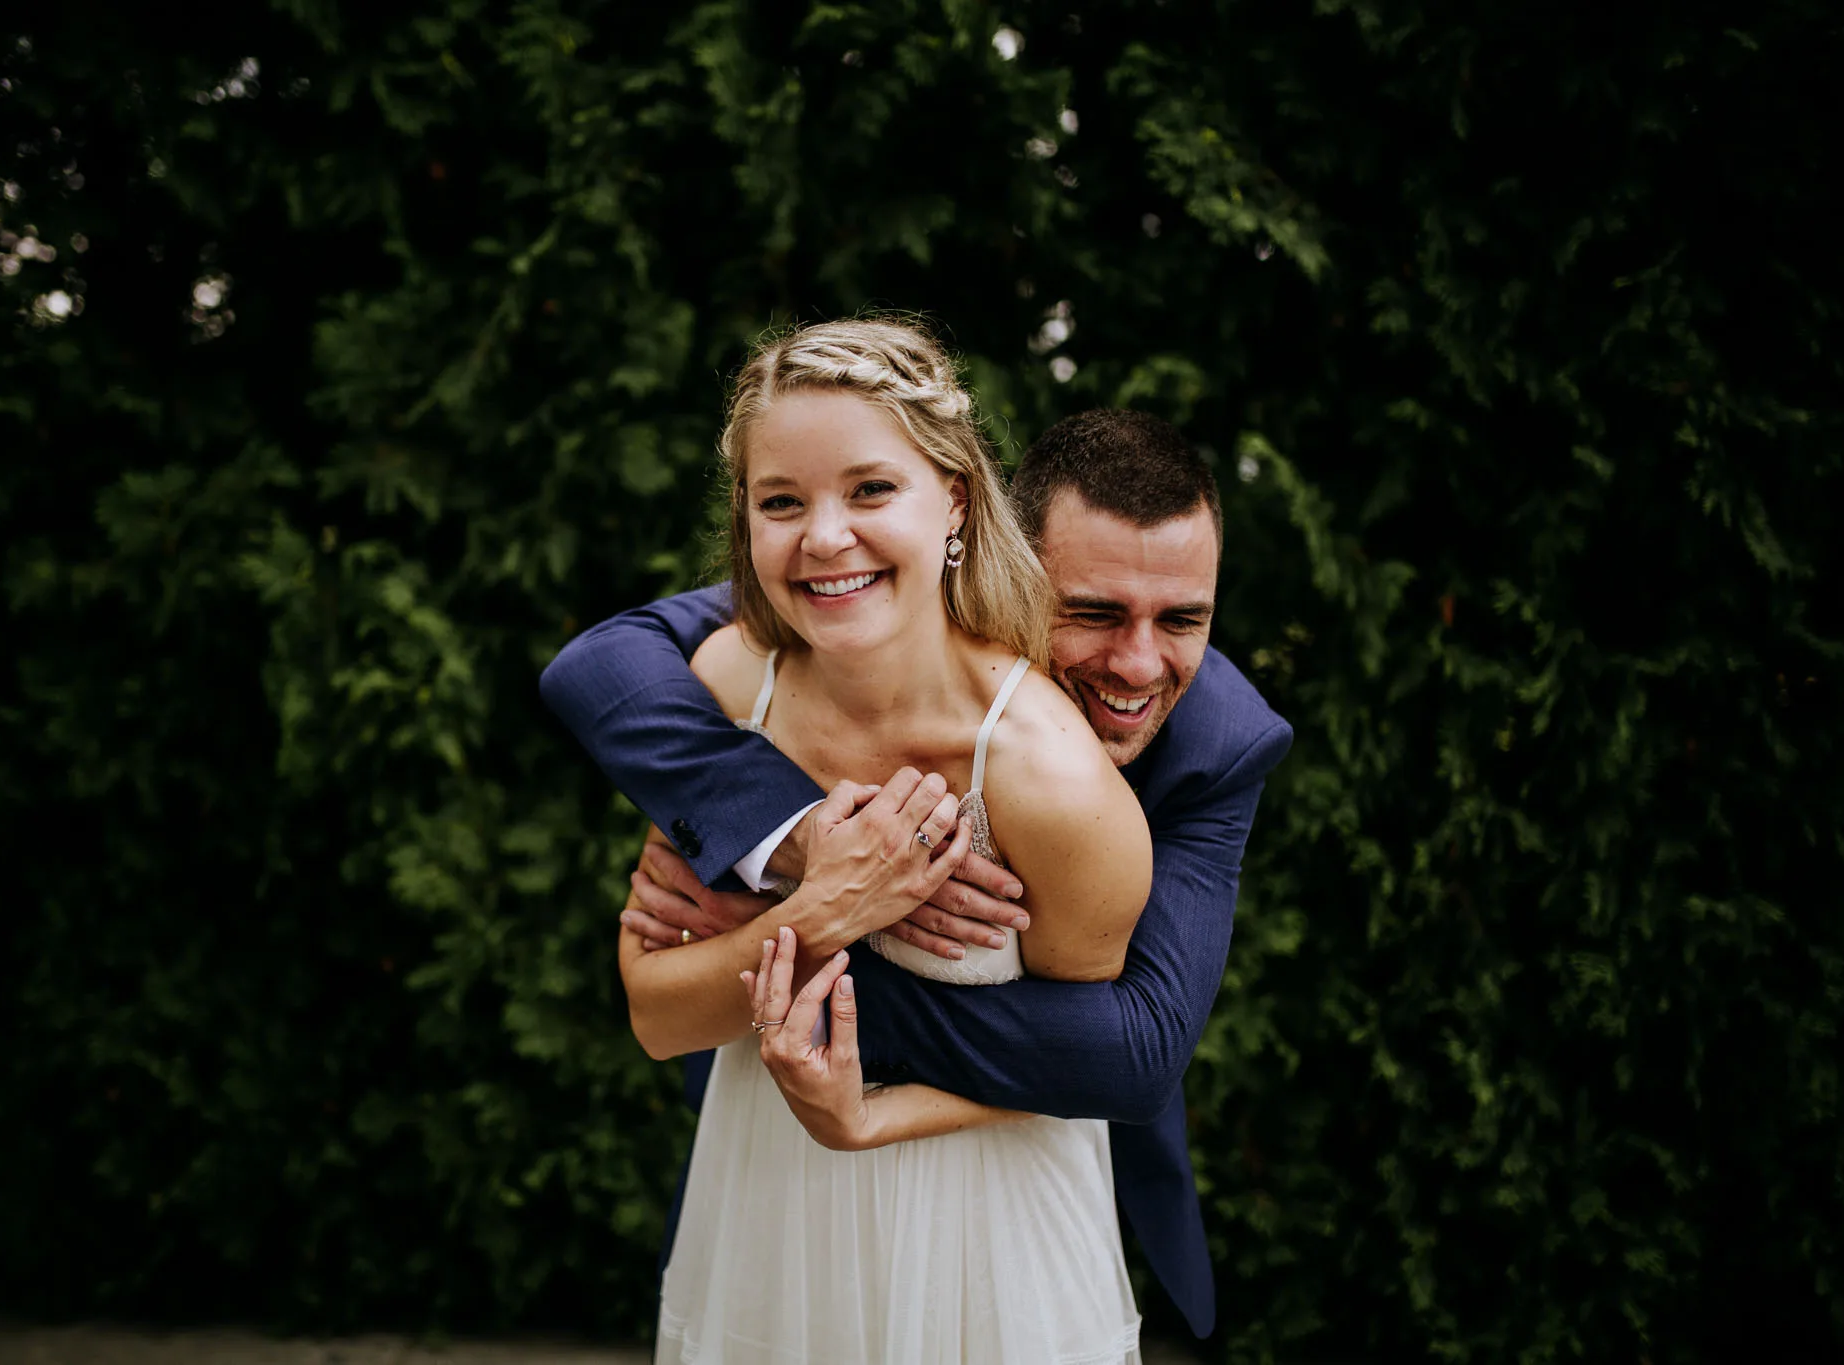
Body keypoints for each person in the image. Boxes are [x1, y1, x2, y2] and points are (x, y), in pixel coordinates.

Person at [541, 389, 1293, 1346]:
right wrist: (796, 836)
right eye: (1093, 612)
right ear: (994, 564)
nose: (1138, 665)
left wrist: (804, 933)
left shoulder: (1221, 742)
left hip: (1022, 1172)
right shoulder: (861, 607)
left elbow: (1132, 1051)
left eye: (1185, 619)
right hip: (780, 1170)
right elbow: (606, 660)